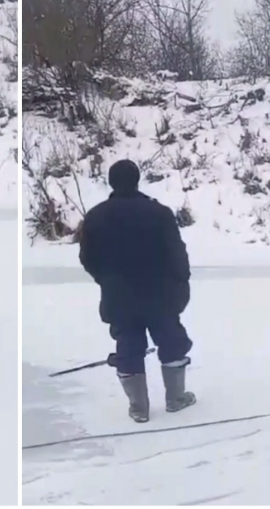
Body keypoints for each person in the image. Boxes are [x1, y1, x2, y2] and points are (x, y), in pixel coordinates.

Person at [79, 159, 196, 422]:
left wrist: (106, 280)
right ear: (137, 179)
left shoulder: (96, 217)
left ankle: (138, 408)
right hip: (160, 293)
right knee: (171, 342)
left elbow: (87, 257)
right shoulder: (159, 213)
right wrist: (181, 282)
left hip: (119, 295)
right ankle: (176, 399)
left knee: (128, 347)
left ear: (111, 182)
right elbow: (177, 254)